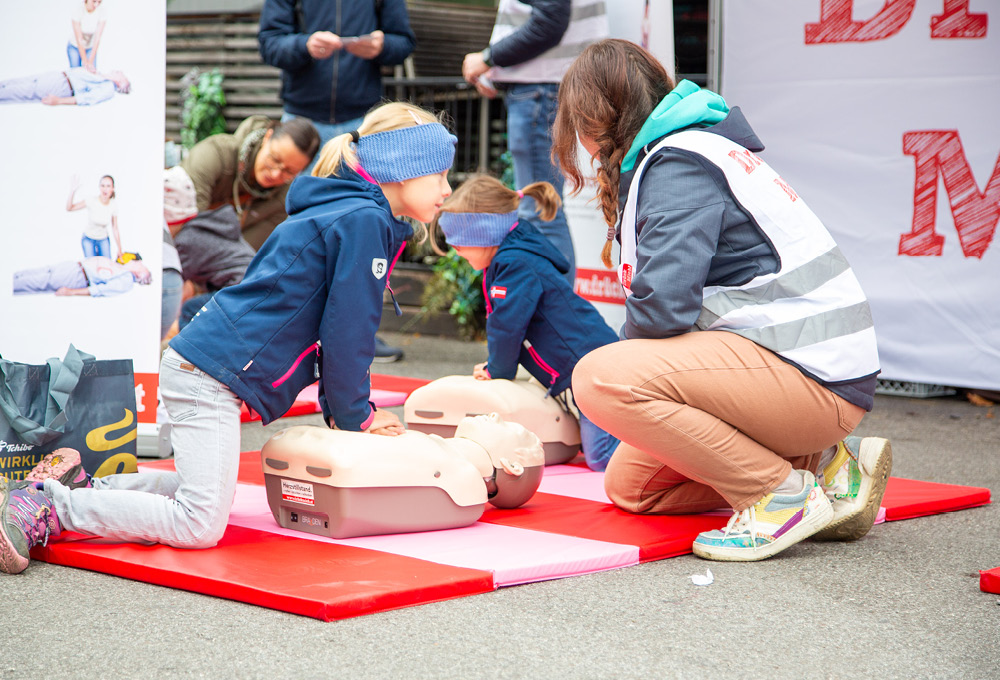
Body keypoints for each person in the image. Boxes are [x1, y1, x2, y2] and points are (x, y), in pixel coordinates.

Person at [0, 101, 456, 575]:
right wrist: (356, 417)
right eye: (439, 175)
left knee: (197, 495)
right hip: (208, 376)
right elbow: (349, 334)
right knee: (200, 523)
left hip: (205, 367)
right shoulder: (360, 221)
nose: (447, 189)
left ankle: (78, 486)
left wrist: (348, 413)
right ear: (403, 168)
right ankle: (49, 508)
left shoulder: (347, 213)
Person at [552, 39, 893, 561]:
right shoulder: (692, 148)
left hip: (810, 377)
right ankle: (823, 471)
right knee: (632, 487)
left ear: (596, 118)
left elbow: (662, 311)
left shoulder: (678, 165)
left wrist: (626, 370)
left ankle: (776, 496)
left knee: (601, 378)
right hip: (806, 369)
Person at [430, 174, 620, 471]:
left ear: (483, 236)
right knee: (596, 448)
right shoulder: (511, 257)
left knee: (601, 457)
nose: (456, 251)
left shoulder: (514, 265)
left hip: (591, 372)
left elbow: (507, 326)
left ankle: (668, 459)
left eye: (459, 244)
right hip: (583, 367)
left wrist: (498, 369)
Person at [462, 0, 609, 286]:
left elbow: (550, 22)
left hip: (540, 90)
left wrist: (490, 58)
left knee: (541, 210)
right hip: (547, 88)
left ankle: (558, 319)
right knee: (543, 208)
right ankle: (560, 317)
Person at [257, 0, 416, 171]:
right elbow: (269, 43)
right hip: (302, 123)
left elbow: (404, 42)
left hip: (363, 123)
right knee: (293, 195)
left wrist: (383, 46)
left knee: (363, 195)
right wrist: (304, 46)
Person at [179, 115, 320, 251]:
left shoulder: (284, 200)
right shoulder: (214, 155)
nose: (276, 174)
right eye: (275, 160)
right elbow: (186, 224)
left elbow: (247, 253)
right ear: (267, 137)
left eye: (289, 172)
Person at [163, 166, 255, 332]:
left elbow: (171, 284)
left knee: (191, 310)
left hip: (240, 290)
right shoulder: (202, 227)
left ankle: (186, 354)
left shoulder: (186, 241)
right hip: (249, 288)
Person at [13, 254, 151, 297]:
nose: (137, 262)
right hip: (75, 267)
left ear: (141, 274)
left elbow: (99, 290)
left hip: (78, 276)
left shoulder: (126, 280)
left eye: (140, 264)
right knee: (35, 274)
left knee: (37, 281)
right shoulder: (123, 268)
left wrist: (71, 292)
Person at [0, 67, 130, 106]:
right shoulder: (102, 77)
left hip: (63, 86)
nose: (119, 71)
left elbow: (85, 99)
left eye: (121, 74)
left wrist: (58, 101)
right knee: (13, 84)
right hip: (60, 77)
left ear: (121, 83)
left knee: (19, 91)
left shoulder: (108, 89)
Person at [67, 174, 120, 258]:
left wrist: (120, 250)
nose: (105, 189)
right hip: (88, 239)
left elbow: (115, 228)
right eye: (102, 186)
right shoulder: (91, 200)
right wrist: (72, 191)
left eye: (108, 186)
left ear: (112, 189)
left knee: (107, 267)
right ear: (99, 187)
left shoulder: (113, 205)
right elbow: (69, 208)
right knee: (92, 268)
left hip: (103, 240)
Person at [68, 0, 108, 72]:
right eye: (94, 1)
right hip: (75, 47)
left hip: (90, 47)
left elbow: (97, 38)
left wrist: (90, 62)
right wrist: (85, 62)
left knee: (91, 73)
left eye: (99, 2)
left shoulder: (101, 11)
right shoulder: (78, 9)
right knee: (76, 73)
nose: (96, 5)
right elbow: (79, 39)